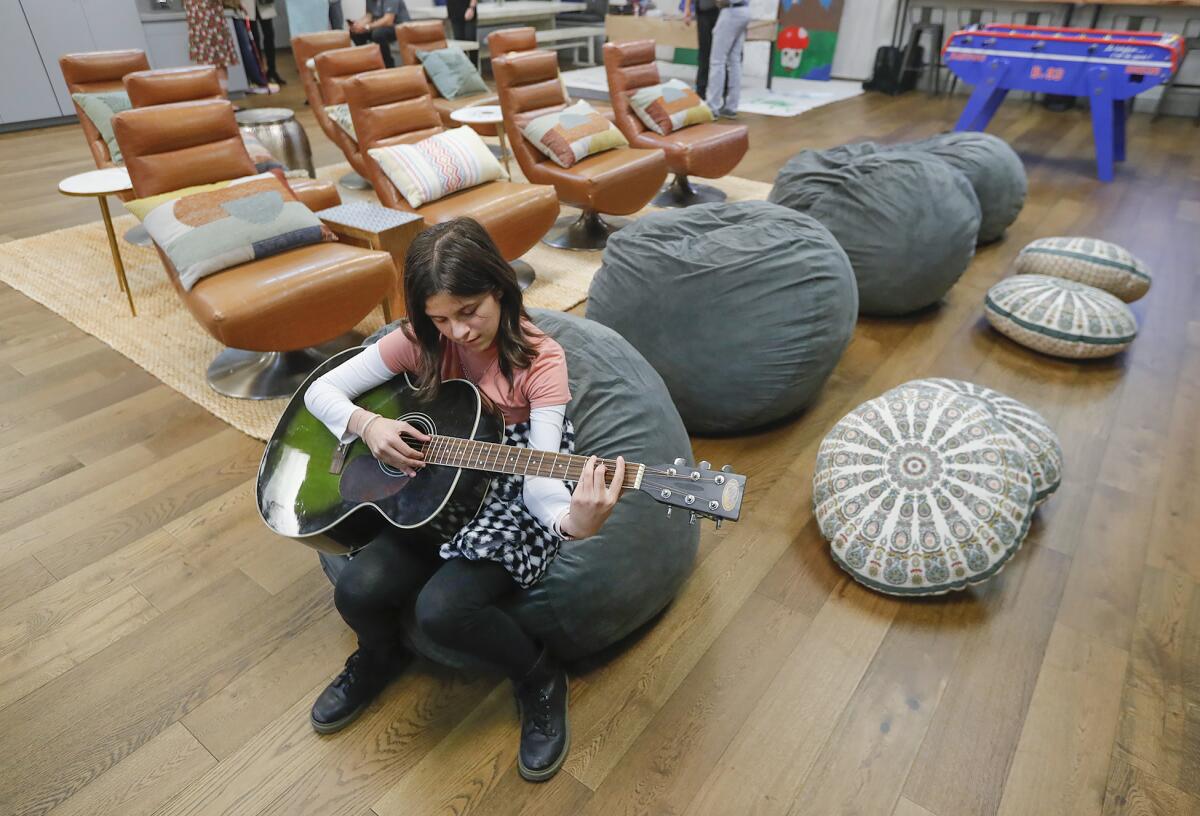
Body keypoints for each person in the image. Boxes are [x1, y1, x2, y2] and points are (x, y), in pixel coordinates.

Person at [302, 218, 626, 783]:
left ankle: (538, 674)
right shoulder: (419, 341)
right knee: (356, 589)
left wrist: (574, 523)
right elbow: (319, 391)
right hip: (429, 481)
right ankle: (381, 655)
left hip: (509, 482)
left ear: (499, 287)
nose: (457, 331)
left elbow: (542, 486)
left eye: (470, 310)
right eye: (440, 318)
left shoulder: (541, 362)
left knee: (443, 611)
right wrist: (369, 426)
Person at [705, 0, 752, 118]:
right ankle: (731, 106)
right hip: (745, 10)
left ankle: (712, 107)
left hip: (731, 11)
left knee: (717, 61)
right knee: (734, 60)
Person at [184, 0, 239, 90]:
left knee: (215, 64)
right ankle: (220, 99)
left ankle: (221, 99)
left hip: (204, 21)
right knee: (216, 64)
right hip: (206, 21)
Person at [349, 0, 411, 68]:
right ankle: (368, 61)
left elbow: (388, 20)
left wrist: (367, 27)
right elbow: (369, 16)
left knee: (378, 34)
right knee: (355, 33)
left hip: (399, 26)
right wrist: (358, 25)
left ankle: (388, 64)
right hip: (381, 26)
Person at [682, 0, 721, 101]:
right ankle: (701, 90)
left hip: (719, 12)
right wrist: (687, 8)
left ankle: (721, 91)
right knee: (704, 54)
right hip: (703, 13)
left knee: (720, 56)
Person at [447, 0, 480, 67]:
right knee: (459, 44)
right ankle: (463, 69)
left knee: (471, 41)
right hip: (454, 12)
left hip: (468, 10)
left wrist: (471, 8)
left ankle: (474, 69)